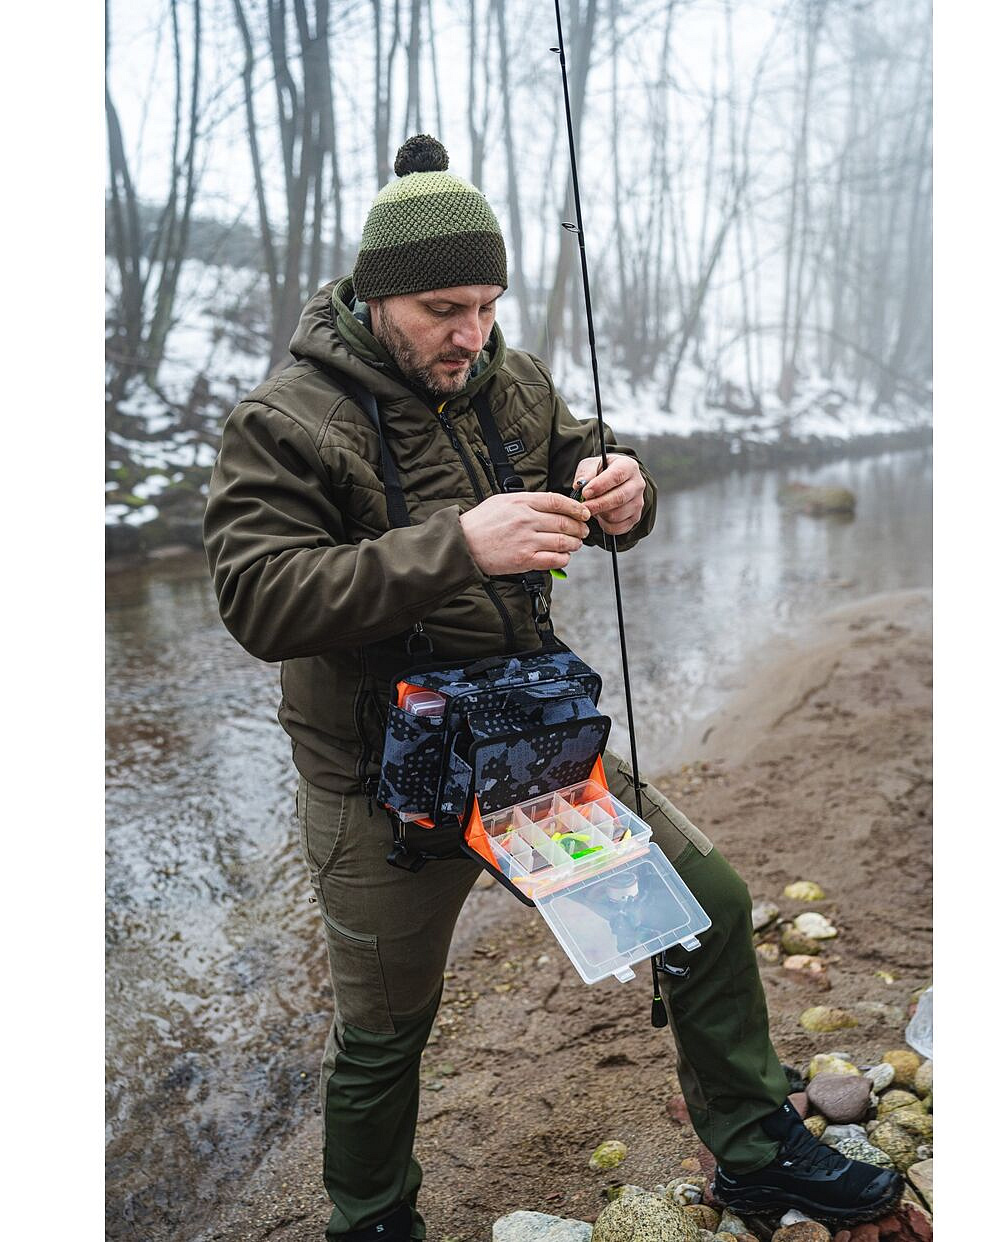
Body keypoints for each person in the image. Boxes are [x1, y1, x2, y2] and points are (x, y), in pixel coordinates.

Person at [203, 135, 902, 1241]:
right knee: (384, 1034)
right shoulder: (286, 421)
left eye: (487, 306)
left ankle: (755, 1150)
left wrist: (625, 490)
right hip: (379, 786)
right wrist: (456, 547)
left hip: (530, 752)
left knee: (703, 908)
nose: (471, 334)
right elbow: (256, 599)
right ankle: (372, 1220)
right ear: (377, 298)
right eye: (443, 310)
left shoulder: (513, 382)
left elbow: (589, 457)